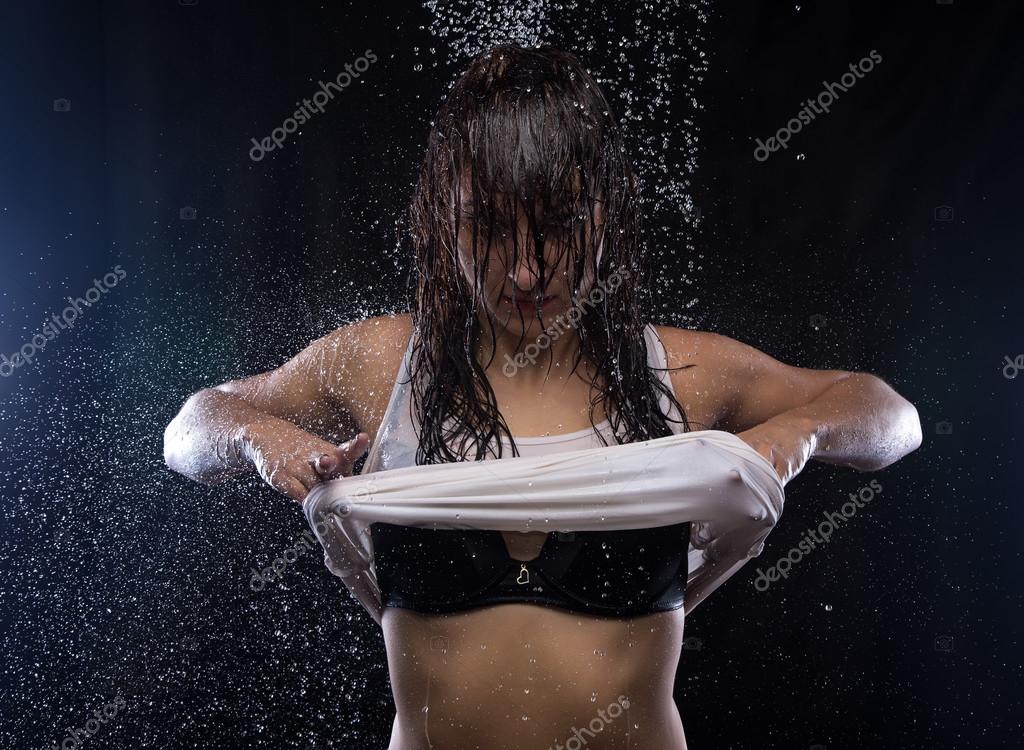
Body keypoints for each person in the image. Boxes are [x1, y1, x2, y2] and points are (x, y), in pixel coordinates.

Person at [164, 44, 922, 750]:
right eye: (489, 227)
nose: (526, 272)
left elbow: (892, 417)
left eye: (560, 224)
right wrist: (262, 440)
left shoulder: (678, 373)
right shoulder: (380, 364)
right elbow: (193, 425)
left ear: (611, 207)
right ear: (440, 212)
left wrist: (800, 434)